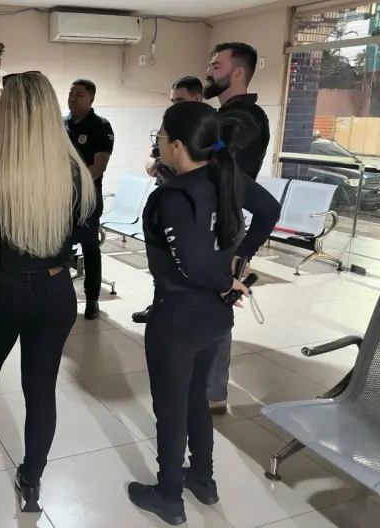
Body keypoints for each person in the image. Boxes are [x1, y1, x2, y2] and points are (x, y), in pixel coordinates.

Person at [126, 101, 280, 525]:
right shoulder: (224, 175)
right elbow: (270, 210)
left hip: (177, 317)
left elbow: (192, 265)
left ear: (176, 146)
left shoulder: (172, 197)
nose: (157, 142)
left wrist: (227, 280)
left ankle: (169, 495)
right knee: (195, 397)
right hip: (215, 319)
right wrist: (241, 259)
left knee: (171, 407)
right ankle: (203, 480)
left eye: (160, 136)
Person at [0, 72, 96, 512]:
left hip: (2, 289)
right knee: (41, 391)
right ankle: (31, 482)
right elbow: (85, 235)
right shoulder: (75, 171)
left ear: (9, 112)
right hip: (55, 291)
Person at [203, 42, 271, 415]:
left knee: (216, 311)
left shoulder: (245, 118)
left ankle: (213, 393)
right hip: (206, 223)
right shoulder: (225, 114)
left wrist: (242, 256)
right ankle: (200, 384)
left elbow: (216, 160)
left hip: (224, 226)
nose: (209, 71)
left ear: (238, 72)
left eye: (217, 65)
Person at [133, 76, 204, 325]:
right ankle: (160, 305)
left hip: (196, 204)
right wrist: (160, 166)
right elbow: (150, 161)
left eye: (180, 100)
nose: (174, 106)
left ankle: (190, 309)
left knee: (189, 258)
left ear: (197, 98)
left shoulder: (208, 127)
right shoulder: (169, 125)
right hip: (166, 199)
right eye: (173, 101)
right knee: (161, 260)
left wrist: (165, 166)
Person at [66, 79, 114, 320]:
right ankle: (62, 296)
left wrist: (76, 187)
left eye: (79, 95)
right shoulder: (61, 124)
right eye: (71, 94)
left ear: (91, 99)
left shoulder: (100, 126)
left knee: (90, 248)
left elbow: (99, 166)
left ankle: (92, 299)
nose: (73, 98)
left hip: (87, 198)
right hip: (61, 198)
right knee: (60, 247)